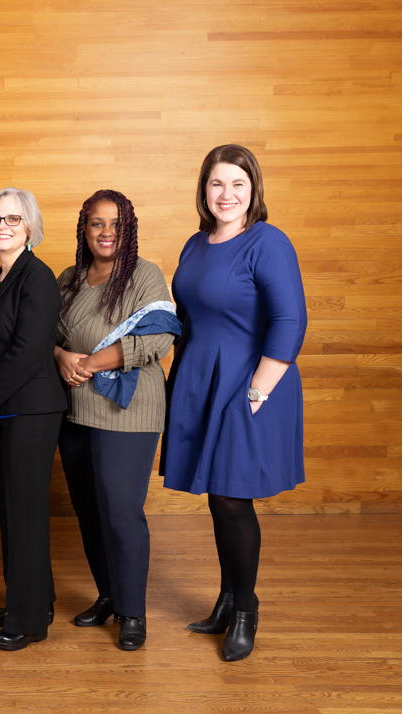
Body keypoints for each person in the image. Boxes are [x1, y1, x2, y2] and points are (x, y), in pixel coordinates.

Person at [163, 144, 307, 661]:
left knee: (230, 496)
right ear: (204, 190)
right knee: (216, 496)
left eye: (238, 185)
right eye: (217, 184)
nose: (227, 194)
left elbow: (290, 321)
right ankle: (226, 599)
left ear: (254, 191)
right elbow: (187, 316)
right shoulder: (195, 244)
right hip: (202, 378)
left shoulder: (267, 242)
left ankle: (246, 610)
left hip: (251, 382)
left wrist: (257, 392)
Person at [54, 189, 181, 651]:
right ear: (83, 230)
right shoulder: (68, 279)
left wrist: (88, 364)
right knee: (89, 511)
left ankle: (133, 612)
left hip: (128, 414)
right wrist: (61, 354)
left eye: (115, 224)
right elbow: (41, 334)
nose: (106, 233)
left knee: (121, 513)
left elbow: (159, 338)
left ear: (128, 229)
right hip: (75, 413)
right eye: (96, 224)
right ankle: (108, 594)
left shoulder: (144, 276)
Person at [0, 188, 66, 651]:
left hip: (32, 410)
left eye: (12, 219)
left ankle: (28, 621)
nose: (1, 226)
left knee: (25, 515)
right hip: (3, 410)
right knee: (13, 512)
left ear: (30, 227)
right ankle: (34, 598)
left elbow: (28, 353)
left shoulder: (37, 277)